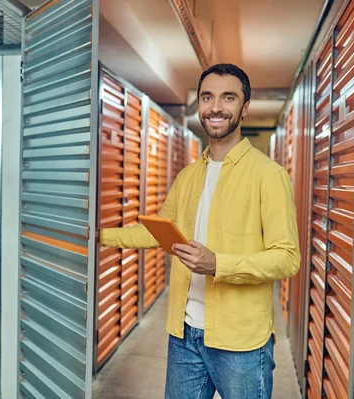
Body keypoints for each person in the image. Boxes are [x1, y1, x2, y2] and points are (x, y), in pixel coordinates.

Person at [99, 63, 300, 399]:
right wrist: (98, 236)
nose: (216, 107)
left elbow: (287, 258)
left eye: (228, 97)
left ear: (244, 107)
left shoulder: (269, 175)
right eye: (207, 97)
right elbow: (158, 233)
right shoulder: (189, 176)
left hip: (241, 343)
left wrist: (218, 264)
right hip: (184, 334)